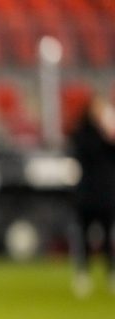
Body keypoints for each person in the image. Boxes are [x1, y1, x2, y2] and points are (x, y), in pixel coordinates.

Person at [65, 88, 115, 298]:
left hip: (106, 193)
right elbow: (80, 152)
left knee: (107, 236)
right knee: (84, 235)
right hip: (87, 193)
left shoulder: (109, 135)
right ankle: (82, 273)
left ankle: (110, 272)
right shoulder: (82, 132)